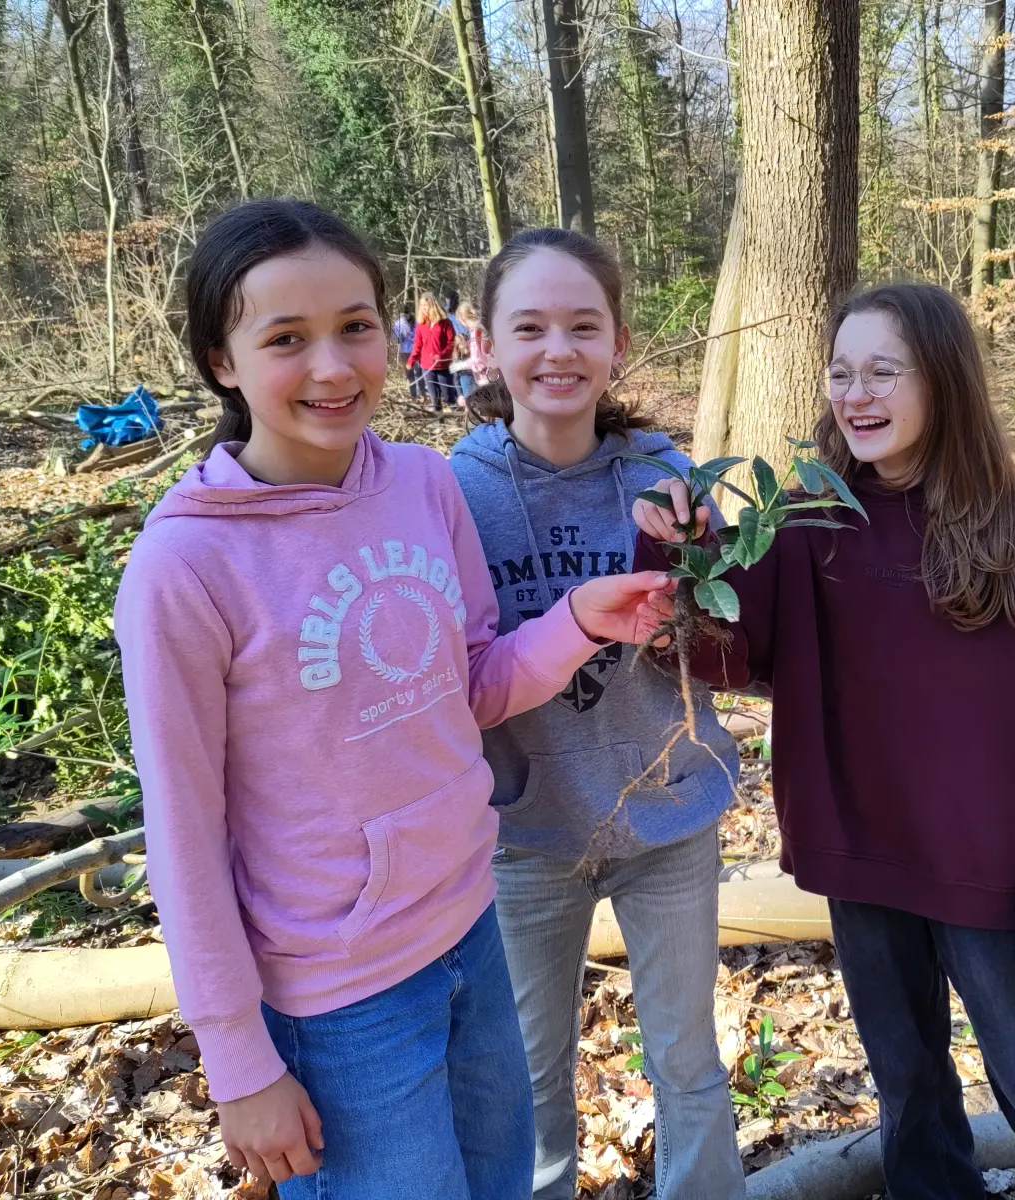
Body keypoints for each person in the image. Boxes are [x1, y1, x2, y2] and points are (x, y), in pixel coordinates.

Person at [115, 198, 675, 1200]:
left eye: (355, 326)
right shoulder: (184, 566)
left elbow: (472, 687)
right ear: (220, 361)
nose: (333, 368)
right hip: (338, 997)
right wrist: (237, 1058)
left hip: (471, 927)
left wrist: (578, 620)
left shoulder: (421, 484)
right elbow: (184, 832)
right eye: (286, 339)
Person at [633, 283, 1015, 1200]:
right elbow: (718, 654)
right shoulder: (805, 526)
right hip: (862, 862)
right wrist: (677, 551)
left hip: (988, 872)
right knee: (909, 1090)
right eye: (841, 373)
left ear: (941, 381)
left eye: (882, 373)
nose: (855, 395)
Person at [451, 227, 746, 1200]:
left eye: (584, 326)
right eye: (529, 327)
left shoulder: (667, 475)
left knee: (687, 1064)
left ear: (618, 341)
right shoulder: (453, 493)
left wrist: (691, 595)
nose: (558, 351)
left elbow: (729, 652)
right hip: (522, 835)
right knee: (530, 1083)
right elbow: (450, 679)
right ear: (485, 345)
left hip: (667, 813)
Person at [408, 291, 453, 413]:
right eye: (422, 305)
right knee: (435, 399)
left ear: (433, 305)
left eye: (426, 305)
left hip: (443, 366)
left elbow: (451, 343)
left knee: (449, 397)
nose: (423, 308)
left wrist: (441, 355)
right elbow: (417, 344)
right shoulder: (421, 325)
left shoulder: (445, 323)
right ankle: (439, 420)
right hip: (427, 367)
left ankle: (456, 417)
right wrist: (411, 360)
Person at [451, 300, 481, 403]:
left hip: (487, 380)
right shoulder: (472, 332)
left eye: (460, 322)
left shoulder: (478, 332)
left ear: (462, 319)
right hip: (480, 378)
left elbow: (480, 361)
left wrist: (462, 365)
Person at [392, 304, 420, 399]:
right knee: (409, 373)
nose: (404, 317)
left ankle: (420, 392)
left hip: (415, 350)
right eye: (402, 315)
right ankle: (414, 394)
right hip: (405, 351)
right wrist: (400, 336)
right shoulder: (398, 324)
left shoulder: (415, 323)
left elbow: (419, 336)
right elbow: (397, 340)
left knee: (417, 371)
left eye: (405, 314)